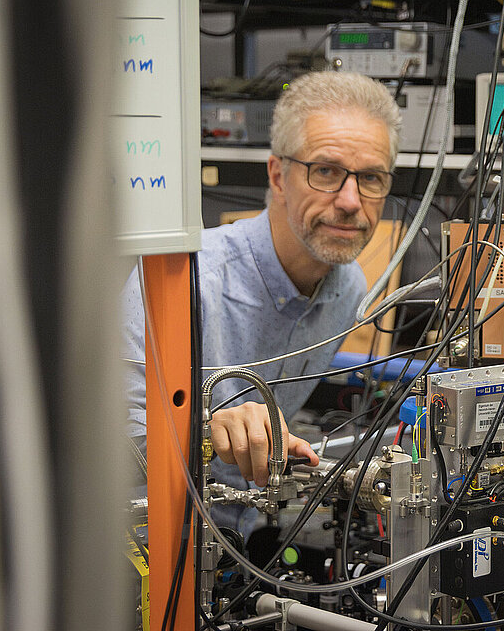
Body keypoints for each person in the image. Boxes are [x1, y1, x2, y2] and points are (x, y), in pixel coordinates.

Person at [124, 71, 401, 531]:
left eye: (370, 178)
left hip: (236, 553)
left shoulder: (347, 288)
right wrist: (206, 427)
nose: (351, 201)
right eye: (327, 172)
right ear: (278, 175)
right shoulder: (184, 281)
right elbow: (96, 441)